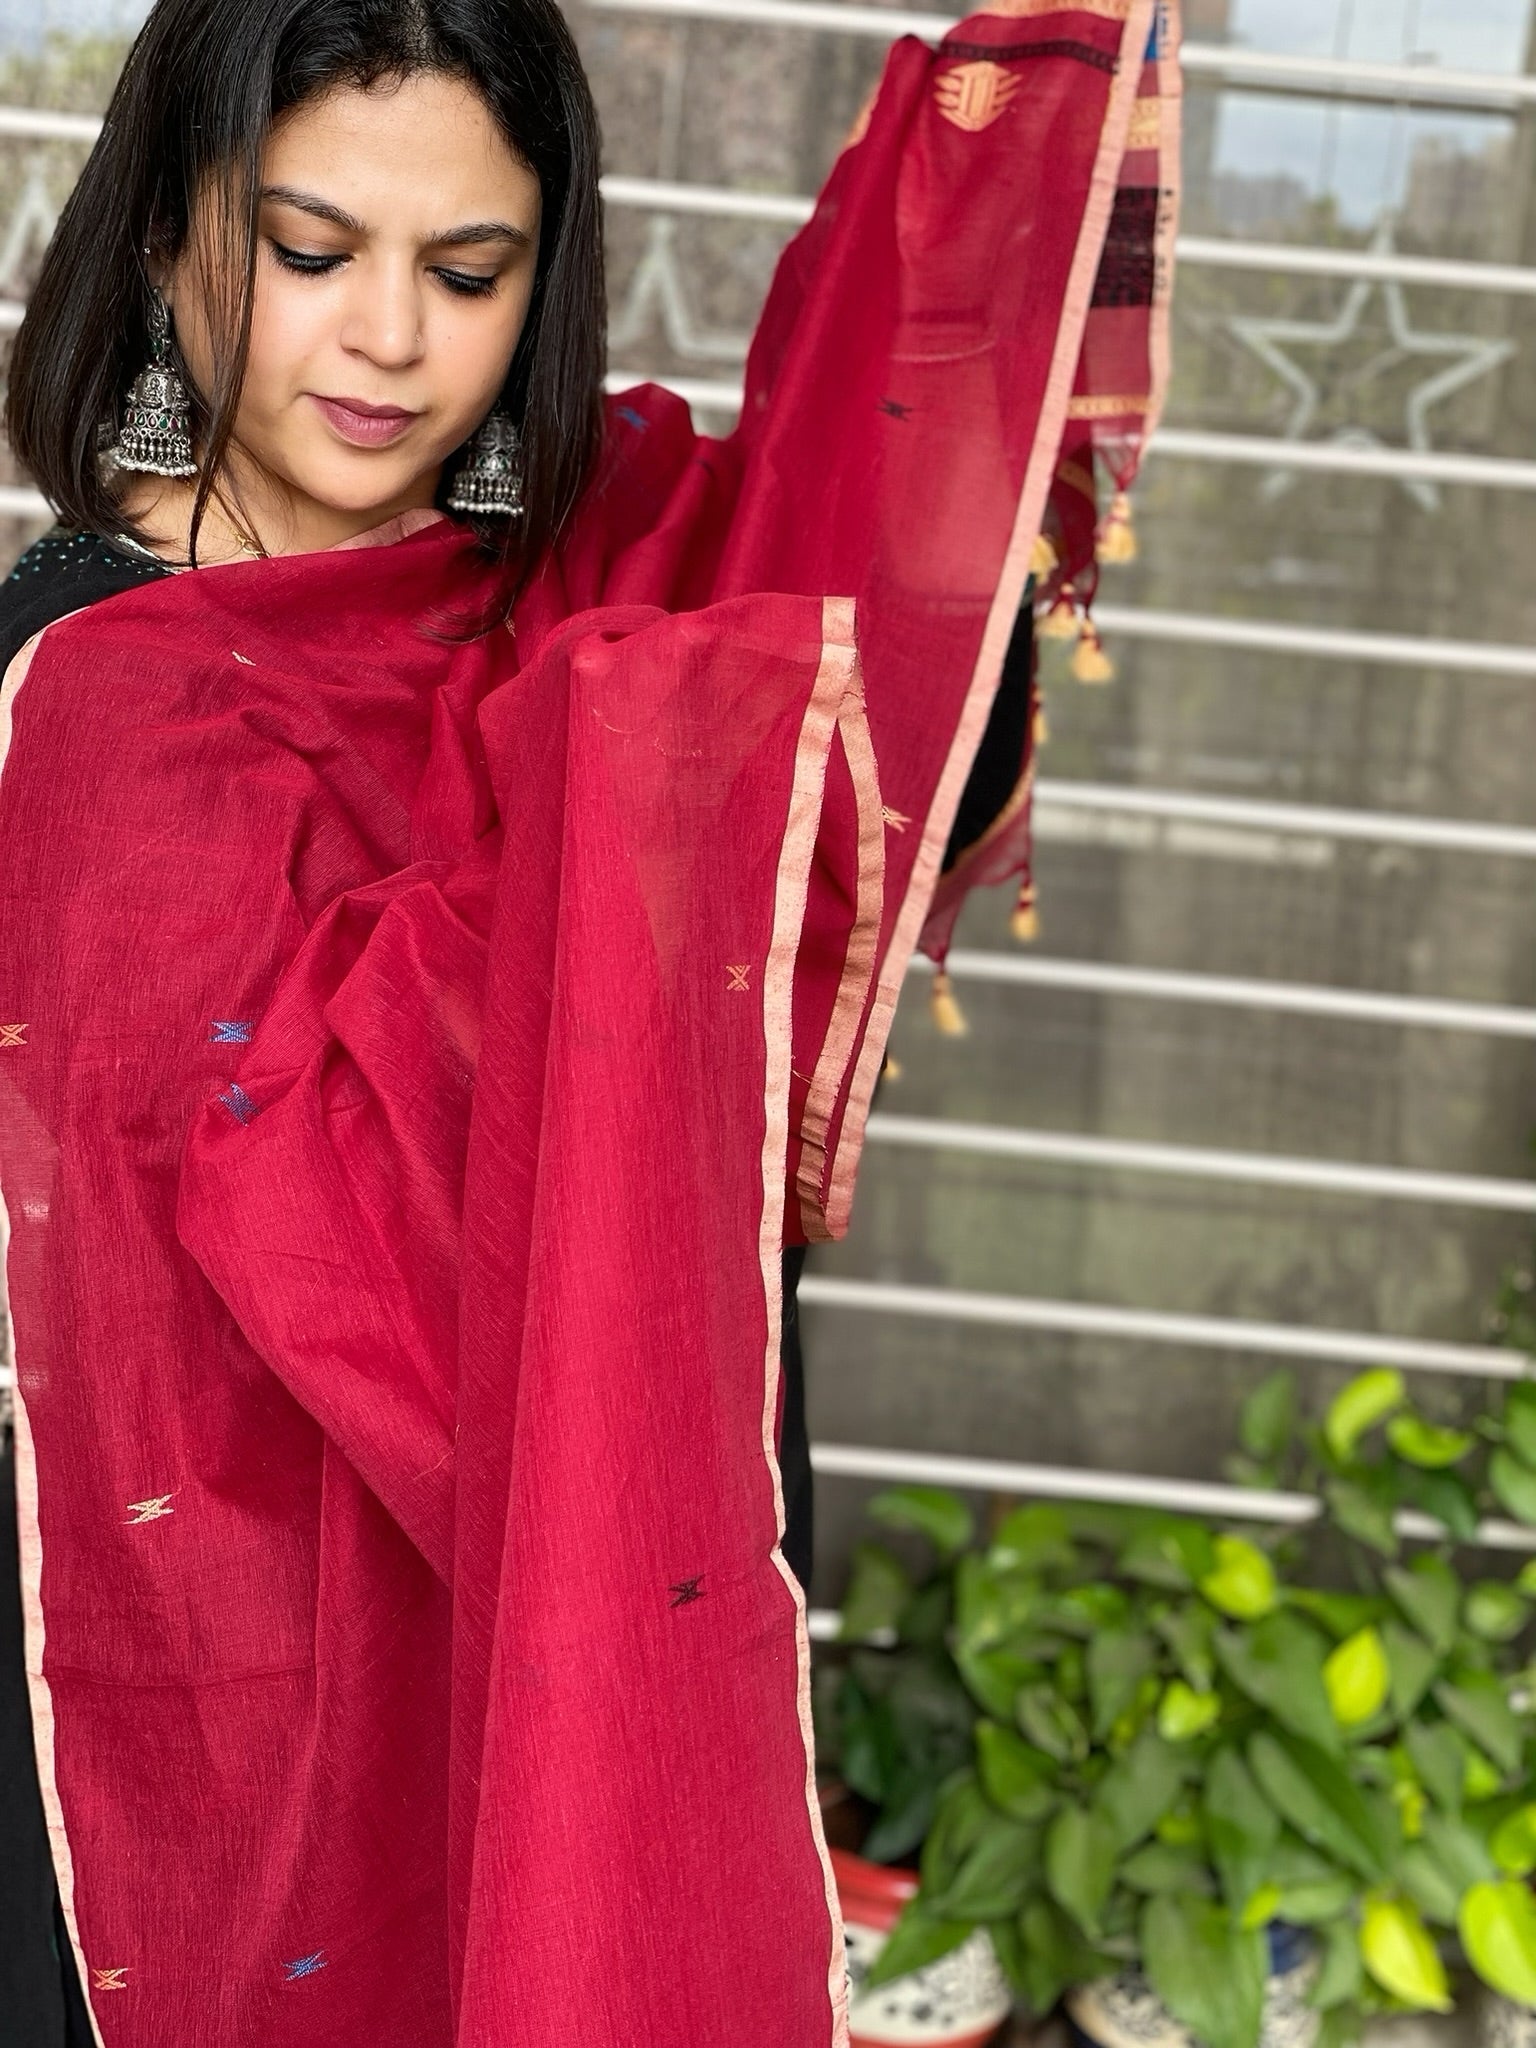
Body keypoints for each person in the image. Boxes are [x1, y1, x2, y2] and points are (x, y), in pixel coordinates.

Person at [0, 0, 1178, 2042]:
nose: (387, 341)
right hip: (141, 1655)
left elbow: (888, 695)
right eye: (310, 250)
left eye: (471, 272)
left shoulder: (613, 601)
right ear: (175, 229)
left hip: (575, 1575)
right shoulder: (58, 683)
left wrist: (988, 213)